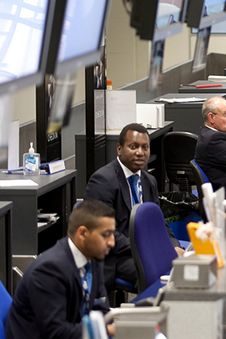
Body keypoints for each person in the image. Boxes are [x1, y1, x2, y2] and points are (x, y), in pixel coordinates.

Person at [84, 123, 183, 291]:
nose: (140, 152)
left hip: (144, 251)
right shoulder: (102, 180)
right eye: (133, 146)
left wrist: (172, 245)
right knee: (158, 275)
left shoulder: (148, 180)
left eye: (145, 147)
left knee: (186, 268)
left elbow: (160, 223)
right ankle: (151, 313)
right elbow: (103, 233)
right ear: (119, 149)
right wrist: (148, 249)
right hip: (115, 257)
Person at [6, 200, 116, 339]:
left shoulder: (93, 257)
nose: (112, 242)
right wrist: (106, 331)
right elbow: (56, 333)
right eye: (106, 234)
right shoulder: (49, 271)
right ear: (82, 233)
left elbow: (101, 307)